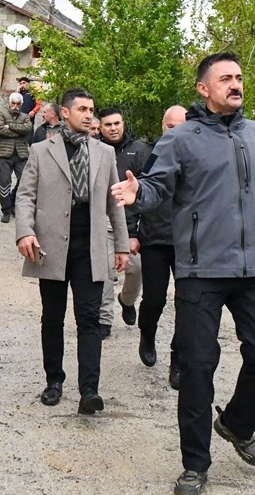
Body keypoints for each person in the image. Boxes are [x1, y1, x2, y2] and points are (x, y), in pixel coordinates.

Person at [112, 52, 255, 495]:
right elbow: (157, 188)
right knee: (197, 368)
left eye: (239, 77)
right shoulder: (181, 139)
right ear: (204, 88)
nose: (236, 84)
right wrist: (139, 192)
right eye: (226, 79)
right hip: (200, 271)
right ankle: (195, 464)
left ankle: (236, 423)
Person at [16, 88, 129, 415]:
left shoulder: (104, 152)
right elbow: (25, 196)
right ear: (64, 113)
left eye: (91, 109)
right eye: (81, 109)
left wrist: (121, 244)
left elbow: (114, 203)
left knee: (89, 318)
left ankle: (89, 390)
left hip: (89, 245)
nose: (88, 114)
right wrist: (25, 231)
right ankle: (54, 381)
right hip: (50, 245)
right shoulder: (41, 150)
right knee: (52, 316)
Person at [136, 104, 187, 388]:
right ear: (161, 126)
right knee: (155, 298)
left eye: (181, 126)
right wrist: (132, 233)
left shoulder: (197, 153)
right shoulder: (148, 153)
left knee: (188, 304)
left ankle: (178, 359)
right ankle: (148, 333)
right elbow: (133, 191)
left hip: (188, 242)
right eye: (171, 126)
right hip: (154, 237)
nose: (175, 132)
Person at [97, 107, 151, 339]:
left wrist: (135, 232)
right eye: (108, 124)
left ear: (123, 124)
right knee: (107, 272)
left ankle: (127, 301)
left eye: (116, 123)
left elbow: (148, 191)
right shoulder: (95, 150)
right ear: (100, 128)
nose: (113, 128)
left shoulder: (139, 151)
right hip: (103, 224)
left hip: (130, 224)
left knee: (136, 269)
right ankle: (104, 319)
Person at [0, 92, 32, 224]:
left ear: (21, 105)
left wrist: (9, 126)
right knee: (4, 183)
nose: (15, 106)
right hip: (4, 155)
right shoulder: (1, 114)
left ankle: (12, 203)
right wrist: (19, 132)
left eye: (18, 104)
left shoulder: (25, 116)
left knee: (24, 181)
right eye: (13, 103)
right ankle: (5, 210)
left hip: (21, 154)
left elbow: (27, 129)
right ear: (9, 103)